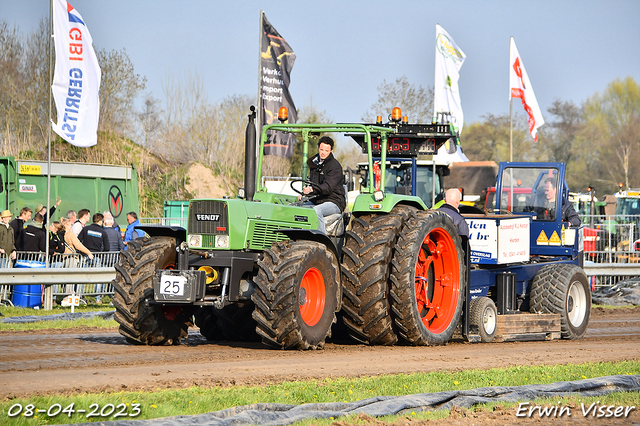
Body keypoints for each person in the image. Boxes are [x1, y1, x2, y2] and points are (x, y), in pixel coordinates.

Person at [299, 136, 346, 234]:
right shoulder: (314, 164)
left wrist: (312, 189)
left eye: (326, 150)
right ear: (318, 148)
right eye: (321, 149)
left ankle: (320, 240)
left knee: (316, 211)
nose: (323, 152)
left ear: (331, 150)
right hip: (318, 200)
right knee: (298, 208)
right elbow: (313, 184)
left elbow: (327, 188)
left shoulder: (335, 166)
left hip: (334, 201)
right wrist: (305, 194)